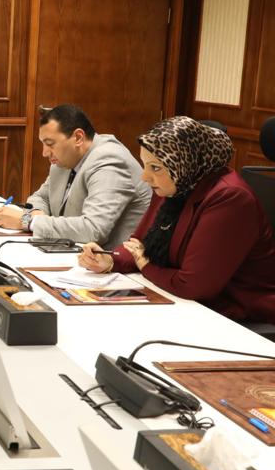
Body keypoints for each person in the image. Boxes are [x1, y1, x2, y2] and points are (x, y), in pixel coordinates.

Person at [79, 116, 275, 323]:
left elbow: (193, 285)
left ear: (185, 162)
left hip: (236, 315)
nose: (145, 177)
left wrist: (145, 266)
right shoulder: (176, 182)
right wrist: (110, 260)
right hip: (181, 301)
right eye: (145, 165)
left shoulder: (230, 198)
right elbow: (138, 244)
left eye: (155, 167)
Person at [0, 104, 150, 249]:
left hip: (114, 264)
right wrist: (36, 213)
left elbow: (94, 230)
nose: (45, 152)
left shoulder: (109, 160)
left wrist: (28, 221)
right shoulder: (65, 160)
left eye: (50, 144)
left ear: (78, 137)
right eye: (43, 144)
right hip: (74, 255)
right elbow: (41, 198)